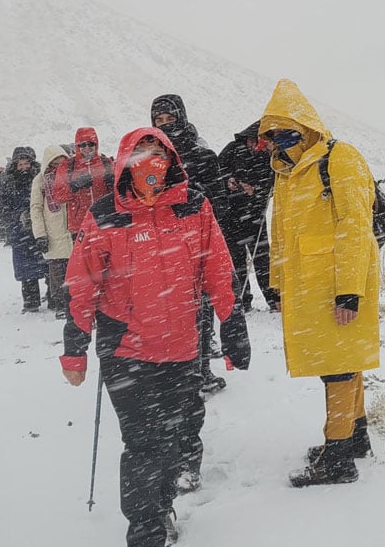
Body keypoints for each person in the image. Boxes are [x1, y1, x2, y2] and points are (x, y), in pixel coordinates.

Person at [60, 127, 249, 547]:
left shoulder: (193, 206)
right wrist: (75, 348)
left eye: (157, 151)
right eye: (142, 151)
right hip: (125, 348)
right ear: (127, 159)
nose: (150, 160)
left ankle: (161, 506)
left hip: (181, 344)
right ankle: (145, 529)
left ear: (171, 159)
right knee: (142, 442)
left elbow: (218, 269)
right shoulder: (107, 213)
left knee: (169, 439)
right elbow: (82, 283)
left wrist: (232, 323)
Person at [259, 79, 380, 488]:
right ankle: (356, 436)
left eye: (285, 128)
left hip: (338, 283)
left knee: (338, 368)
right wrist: (276, 282)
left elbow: (355, 225)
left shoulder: (339, 158)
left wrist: (349, 290)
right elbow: (280, 230)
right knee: (344, 359)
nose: (279, 138)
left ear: (307, 123)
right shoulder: (286, 171)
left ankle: (338, 457)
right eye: (272, 131)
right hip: (309, 286)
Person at [151, 94, 232, 394]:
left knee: (201, 311)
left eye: (170, 118)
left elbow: (220, 206)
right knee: (169, 312)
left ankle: (200, 372)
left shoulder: (203, 155)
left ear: (181, 117)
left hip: (197, 247)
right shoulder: (151, 157)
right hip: (161, 248)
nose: (165, 125)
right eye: (159, 121)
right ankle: (173, 374)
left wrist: (192, 198)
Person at [218, 120, 278, 312]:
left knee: (262, 259)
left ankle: (273, 299)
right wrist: (231, 182)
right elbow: (218, 172)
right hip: (230, 215)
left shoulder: (270, 156)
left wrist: (256, 191)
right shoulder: (233, 149)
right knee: (236, 260)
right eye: (254, 141)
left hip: (254, 214)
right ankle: (242, 300)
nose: (256, 146)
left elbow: (273, 183)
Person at [29, 144, 74, 320]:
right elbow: (36, 208)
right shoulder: (40, 180)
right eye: (55, 162)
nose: (58, 164)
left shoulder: (71, 176)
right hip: (53, 233)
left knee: (75, 271)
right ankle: (61, 304)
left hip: (72, 230)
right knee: (57, 272)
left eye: (62, 160)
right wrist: (40, 235)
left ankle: (75, 304)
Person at [1, 147, 47, 313]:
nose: (23, 167)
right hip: (19, 229)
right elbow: (3, 204)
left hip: (39, 226)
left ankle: (52, 294)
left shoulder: (40, 178)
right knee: (26, 268)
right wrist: (15, 217)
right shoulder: (9, 181)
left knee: (48, 262)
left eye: (26, 163)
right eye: (20, 164)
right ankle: (30, 301)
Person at [51, 127, 114, 237]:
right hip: (79, 225)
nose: (87, 148)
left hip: (104, 220)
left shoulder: (106, 163)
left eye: (91, 144)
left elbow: (119, 191)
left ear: (96, 144)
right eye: (82, 144)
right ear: (77, 146)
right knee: (82, 254)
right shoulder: (67, 166)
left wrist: (113, 184)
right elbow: (57, 196)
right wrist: (74, 186)